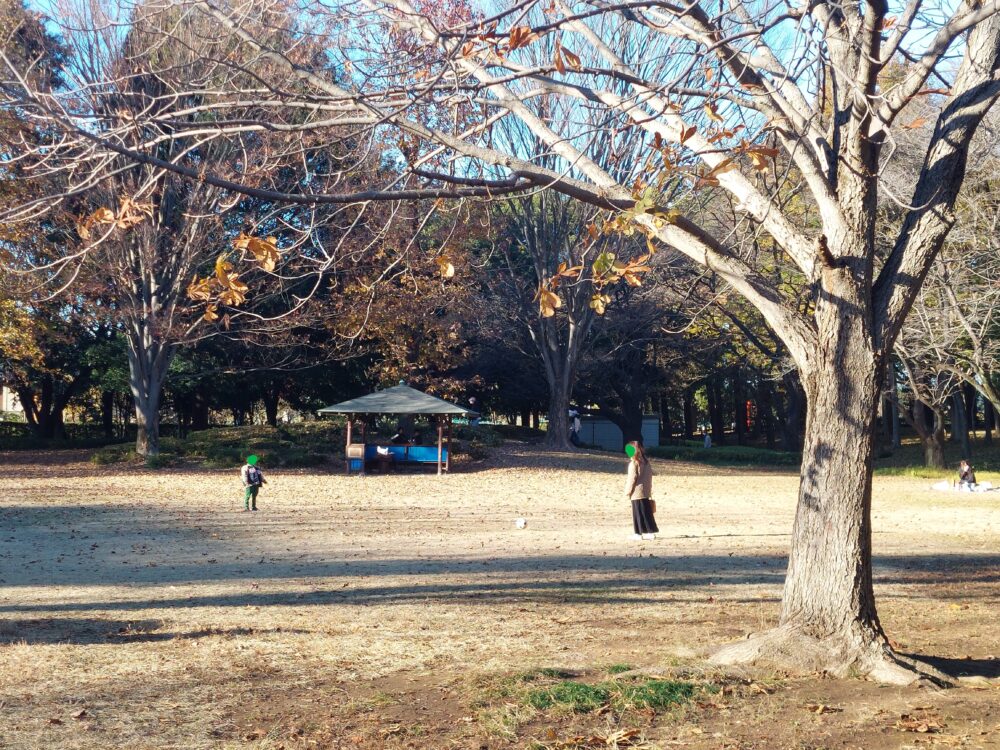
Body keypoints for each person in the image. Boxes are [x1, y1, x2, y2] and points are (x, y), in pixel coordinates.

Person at [624, 439, 658, 540]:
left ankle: (638, 533)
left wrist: (627, 492)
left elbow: (631, 479)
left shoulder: (634, 464)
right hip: (646, 491)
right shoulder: (646, 462)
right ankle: (650, 532)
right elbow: (649, 477)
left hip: (636, 493)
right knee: (647, 513)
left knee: (637, 514)